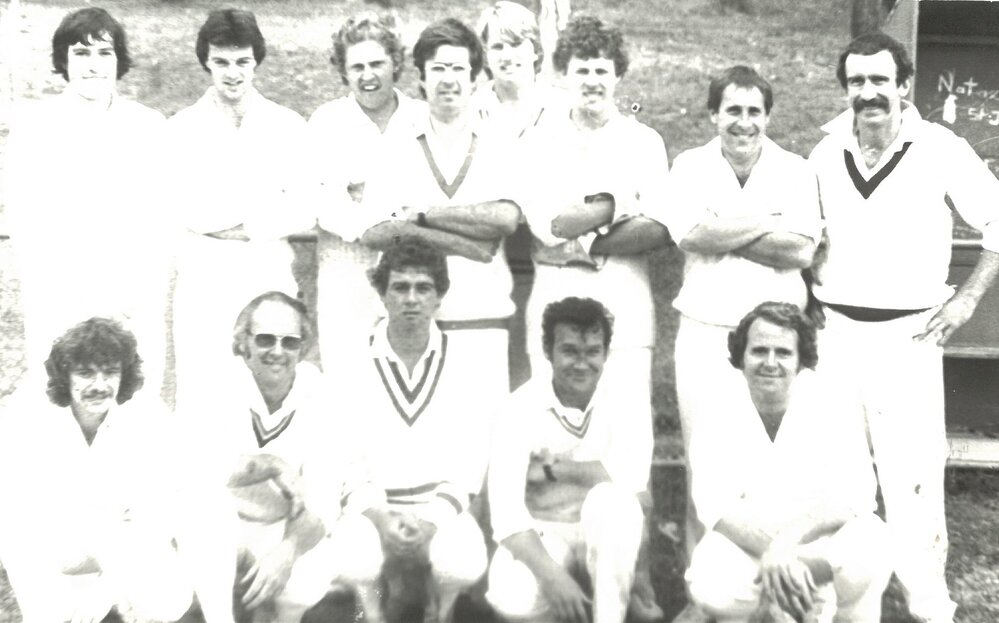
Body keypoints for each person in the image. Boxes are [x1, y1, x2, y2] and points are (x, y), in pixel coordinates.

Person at [808, 32, 999, 623]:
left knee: (912, 479)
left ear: (904, 85)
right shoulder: (824, 152)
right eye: (857, 81)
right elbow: (805, 238)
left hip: (909, 339)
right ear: (846, 89)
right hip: (834, 336)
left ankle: (926, 604)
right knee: (838, 478)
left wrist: (967, 300)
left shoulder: (940, 148)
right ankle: (848, 601)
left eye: (879, 80)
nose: (869, 93)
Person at [663, 65, 821, 562]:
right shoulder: (689, 166)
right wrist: (767, 220)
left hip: (778, 339)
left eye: (755, 111)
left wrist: (723, 228)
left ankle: (782, 572)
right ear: (714, 114)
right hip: (707, 335)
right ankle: (702, 580)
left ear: (768, 116)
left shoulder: (795, 169)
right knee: (703, 462)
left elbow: (799, 252)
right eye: (733, 110)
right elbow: (691, 236)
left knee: (783, 460)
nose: (744, 123)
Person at [0, 318, 234, 623]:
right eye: (85, 373)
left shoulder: (145, 415)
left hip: (118, 541)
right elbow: (17, 512)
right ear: (64, 375)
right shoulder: (26, 414)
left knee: (168, 600)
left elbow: (159, 511)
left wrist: (107, 590)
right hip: (50, 543)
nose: (99, 385)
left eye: (110, 373)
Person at [519, 15, 668, 478]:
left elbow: (659, 229)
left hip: (624, 307)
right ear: (562, 75)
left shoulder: (644, 142)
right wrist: (620, 206)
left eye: (602, 70)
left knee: (627, 449)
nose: (592, 80)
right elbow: (550, 225)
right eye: (582, 69)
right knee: (552, 441)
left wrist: (593, 225)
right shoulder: (535, 141)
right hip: (554, 303)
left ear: (618, 75)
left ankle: (629, 544)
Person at [685, 302, 891, 623]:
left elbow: (857, 496)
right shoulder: (717, 405)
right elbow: (715, 506)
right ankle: (778, 604)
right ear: (741, 356)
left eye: (783, 352)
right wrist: (776, 555)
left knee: (872, 543)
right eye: (759, 351)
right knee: (710, 586)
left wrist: (785, 546)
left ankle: (834, 610)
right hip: (751, 550)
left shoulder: (831, 400)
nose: (770, 362)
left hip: (821, 550)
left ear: (800, 360)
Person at [4, 7, 172, 398]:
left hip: (132, 300)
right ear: (64, 59)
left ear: (119, 60)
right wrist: (72, 297)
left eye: (104, 53)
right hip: (60, 298)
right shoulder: (34, 128)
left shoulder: (148, 127)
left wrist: (131, 296)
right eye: (81, 53)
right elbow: (26, 223)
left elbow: (161, 220)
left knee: (133, 404)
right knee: (63, 404)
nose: (93, 66)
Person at [357, 18, 521, 401]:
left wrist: (421, 216)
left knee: (481, 445)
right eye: (438, 69)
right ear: (422, 79)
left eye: (459, 69)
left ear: (476, 78)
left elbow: (505, 219)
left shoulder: (499, 142)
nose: (449, 80)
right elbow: (376, 231)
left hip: (484, 316)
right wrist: (461, 242)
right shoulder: (396, 142)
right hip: (412, 323)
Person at [331, 238, 490, 623]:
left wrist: (432, 522)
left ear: (440, 297)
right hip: (374, 512)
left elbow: (470, 462)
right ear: (382, 295)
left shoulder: (467, 361)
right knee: (352, 557)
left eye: (424, 288)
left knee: (464, 562)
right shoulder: (352, 359)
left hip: (437, 509)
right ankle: (370, 610)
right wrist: (382, 519)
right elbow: (343, 458)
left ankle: (441, 608)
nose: (412, 299)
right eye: (400, 287)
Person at [168, 9, 312, 411]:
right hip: (204, 287)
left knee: (268, 397)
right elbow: (188, 209)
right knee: (202, 399)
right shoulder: (182, 128)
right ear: (206, 62)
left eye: (243, 62)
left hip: (268, 278)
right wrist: (264, 212)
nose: (233, 73)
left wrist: (245, 226)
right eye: (221, 62)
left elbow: (304, 209)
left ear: (256, 61)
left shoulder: (287, 125)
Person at [487, 297, 661, 623]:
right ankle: (564, 602)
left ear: (606, 353)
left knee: (615, 502)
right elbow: (506, 514)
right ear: (547, 351)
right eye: (569, 351)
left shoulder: (629, 400)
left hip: (605, 534)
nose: (581, 364)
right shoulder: (518, 408)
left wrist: (552, 470)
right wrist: (552, 577)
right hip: (545, 531)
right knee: (514, 598)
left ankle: (609, 614)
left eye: (592, 351)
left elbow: (635, 491)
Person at [187, 291, 349, 623]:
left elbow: (324, 501)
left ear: (303, 348)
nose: (277, 351)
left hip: (283, 530)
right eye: (265, 339)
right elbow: (197, 473)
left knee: (307, 579)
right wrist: (270, 464)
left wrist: (286, 552)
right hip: (223, 528)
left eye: (289, 342)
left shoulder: (322, 395)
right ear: (243, 344)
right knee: (206, 515)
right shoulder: (212, 383)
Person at [308, 12, 428, 375]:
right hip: (345, 280)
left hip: (409, 278)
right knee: (348, 391)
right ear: (343, 71)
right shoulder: (327, 122)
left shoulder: (422, 118)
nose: (368, 75)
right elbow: (326, 205)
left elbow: (428, 199)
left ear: (396, 63)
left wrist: (364, 200)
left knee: (408, 387)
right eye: (356, 66)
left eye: (377, 63)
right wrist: (388, 222)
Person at [472, 1, 555, 141]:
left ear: (535, 49)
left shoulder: (561, 106)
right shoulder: (469, 111)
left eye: (516, 44)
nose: (507, 56)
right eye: (497, 47)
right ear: (485, 56)